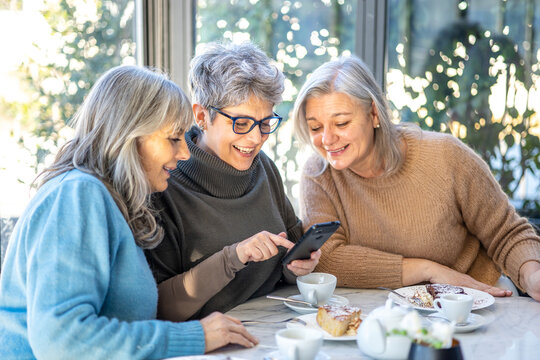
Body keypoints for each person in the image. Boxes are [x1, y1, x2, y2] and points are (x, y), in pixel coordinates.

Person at [0, 66, 259, 359]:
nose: (185, 153)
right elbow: (62, 339)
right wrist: (195, 336)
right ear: (129, 136)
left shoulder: (110, 201)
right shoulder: (76, 195)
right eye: (174, 138)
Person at [292, 55, 540, 301]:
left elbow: (506, 233)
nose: (326, 139)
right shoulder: (319, 174)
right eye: (315, 127)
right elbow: (327, 257)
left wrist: (533, 276)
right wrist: (428, 270)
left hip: (471, 302)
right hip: (375, 310)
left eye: (341, 122)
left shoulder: (446, 157)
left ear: (374, 114)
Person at [145, 42, 320, 321]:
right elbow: (160, 308)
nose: (255, 139)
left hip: (274, 327)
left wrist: (298, 265)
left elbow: (286, 265)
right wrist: (234, 257)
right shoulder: (164, 185)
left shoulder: (264, 167)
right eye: (240, 123)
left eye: (265, 124)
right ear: (202, 116)